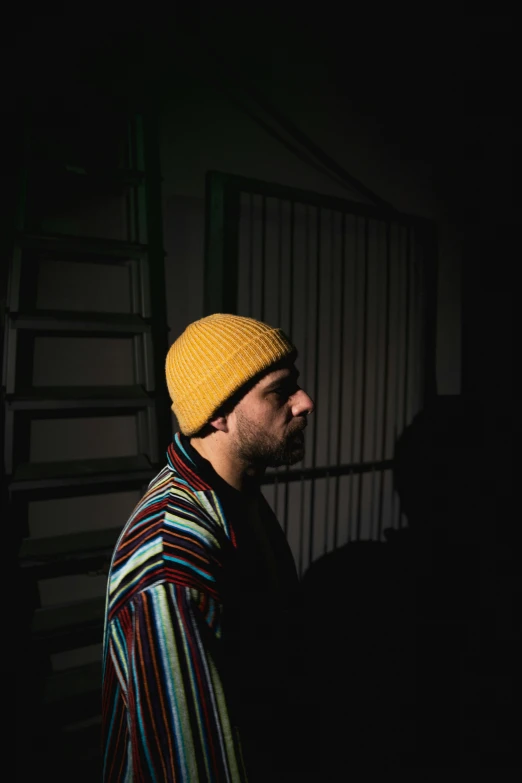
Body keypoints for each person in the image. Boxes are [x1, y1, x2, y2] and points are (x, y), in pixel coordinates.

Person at [102, 313, 315, 782]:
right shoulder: (171, 564)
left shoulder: (237, 497)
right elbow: (191, 762)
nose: (305, 402)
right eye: (280, 390)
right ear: (218, 413)